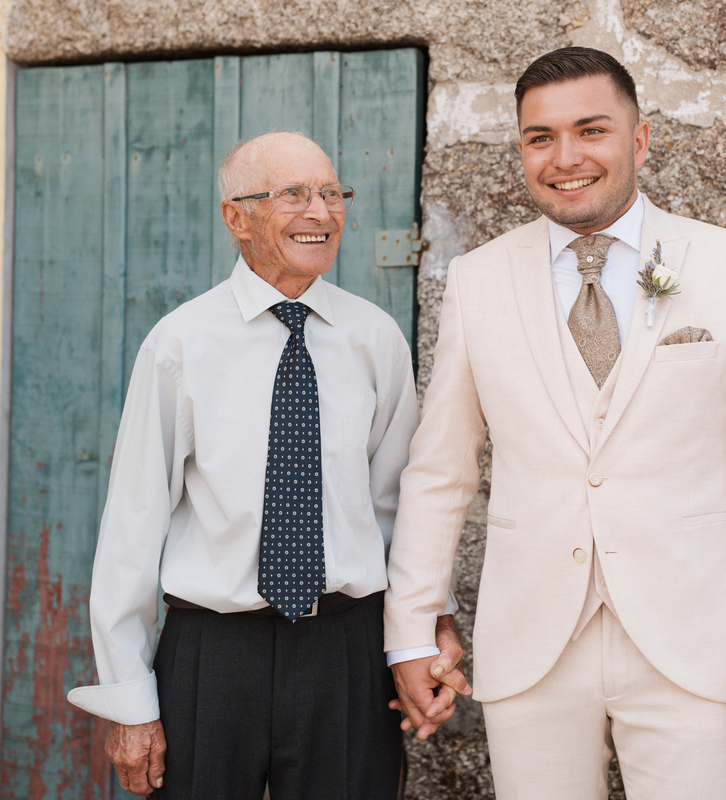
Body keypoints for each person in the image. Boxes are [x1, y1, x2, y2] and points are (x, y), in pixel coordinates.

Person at [383, 47, 726, 799]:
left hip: (691, 644)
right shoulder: (477, 280)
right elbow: (441, 472)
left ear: (639, 140)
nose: (566, 158)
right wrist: (412, 631)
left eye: (591, 130)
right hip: (532, 646)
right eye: (541, 137)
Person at [67, 131, 465, 800]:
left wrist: (425, 629)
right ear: (236, 217)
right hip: (212, 655)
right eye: (294, 194)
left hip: (346, 651)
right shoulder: (181, 343)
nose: (321, 212)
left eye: (332, 193)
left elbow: (401, 509)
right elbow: (132, 530)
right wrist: (131, 701)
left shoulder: (375, 339)